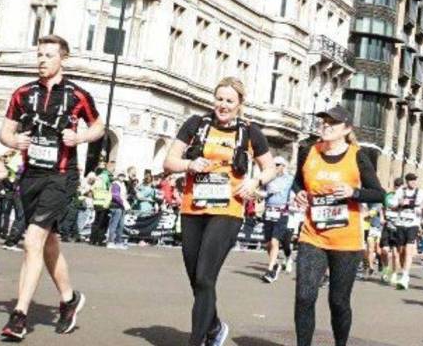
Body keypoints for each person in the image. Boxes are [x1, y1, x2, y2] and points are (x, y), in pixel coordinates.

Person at [0, 35, 104, 341]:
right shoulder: (23, 93)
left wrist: (80, 138)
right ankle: (69, 299)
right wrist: (13, 141)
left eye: (48, 55)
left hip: (62, 176)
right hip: (30, 174)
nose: (42, 60)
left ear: (63, 59)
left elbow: (98, 126)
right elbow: (6, 130)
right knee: (47, 243)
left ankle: (19, 315)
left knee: (32, 241)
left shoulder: (77, 95)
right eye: (39, 55)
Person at [164, 76, 276, 346]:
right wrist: (189, 165)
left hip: (228, 209)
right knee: (196, 278)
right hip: (193, 207)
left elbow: (269, 168)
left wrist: (255, 181)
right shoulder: (195, 124)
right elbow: (170, 161)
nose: (223, 105)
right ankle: (214, 327)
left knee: (205, 276)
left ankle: (197, 341)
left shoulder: (250, 131)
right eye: (219, 99)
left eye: (229, 101)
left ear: (239, 104)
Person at [292, 104, 384, 346]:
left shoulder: (358, 156)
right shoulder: (307, 151)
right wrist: (299, 193)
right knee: (304, 297)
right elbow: (297, 182)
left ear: (346, 129)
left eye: (332, 123)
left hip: (346, 240)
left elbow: (379, 194)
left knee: (338, 301)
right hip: (313, 235)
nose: (326, 126)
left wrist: (353, 192)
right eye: (324, 121)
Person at [261, 156, 294, 283]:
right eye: (273, 164)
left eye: (278, 164)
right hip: (268, 212)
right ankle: (275, 264)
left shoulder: (289, 179)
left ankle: (270, 271)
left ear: (283, 166)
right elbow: (262, 191)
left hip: (282, 213)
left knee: (275, 242)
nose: (275, 167)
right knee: (268, 244)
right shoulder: (267, 178)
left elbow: (297, 188)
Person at [392, 172, 423, 290]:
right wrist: (400, 203)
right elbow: (392, 205)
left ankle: (405, 276)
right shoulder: (400, 191)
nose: (413, 182)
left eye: (415, 180)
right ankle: (403, 270)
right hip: (401, 223)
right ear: (407, 181)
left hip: (413, 224)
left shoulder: (420, 192)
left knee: (408, 249)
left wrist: (420, 209)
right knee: (401, 250)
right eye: (411, 180)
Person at [105, 173, 129, 250]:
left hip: (122, 207)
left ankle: (118, 241)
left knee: (121, 225)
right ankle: (110, 242)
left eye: (123, 176)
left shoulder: (123, 185)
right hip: (116, 206)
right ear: (118, 176)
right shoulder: (115, 184)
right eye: (121, 176)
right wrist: (123, 203)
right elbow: (115, 196)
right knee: (114, 224)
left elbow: (123, 195)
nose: (122, 177)